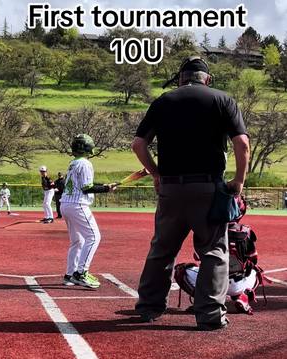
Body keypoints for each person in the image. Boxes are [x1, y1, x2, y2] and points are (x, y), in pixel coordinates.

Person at [131, 56, 250, 330]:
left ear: (181, 78)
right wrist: (239, 181)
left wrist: (157, 174)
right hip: (208, 188)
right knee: (214, 251)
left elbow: (138, 144)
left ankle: (149, 307)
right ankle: (209, 314)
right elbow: (242, 143)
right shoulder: (223, 100)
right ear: (206, 79)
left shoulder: (163, 101)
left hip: (171, 187)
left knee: (162, 247)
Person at [60, 134, 117, 289]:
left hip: (66, 204)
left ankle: (70, 274)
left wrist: (105, 185)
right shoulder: (86, 163)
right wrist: (105, 188)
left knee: (77, 241)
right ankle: (81, 273)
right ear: (88, 148)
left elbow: (85, 184)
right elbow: (86, 188)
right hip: (78, 204)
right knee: (93, 237)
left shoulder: (74, 163)